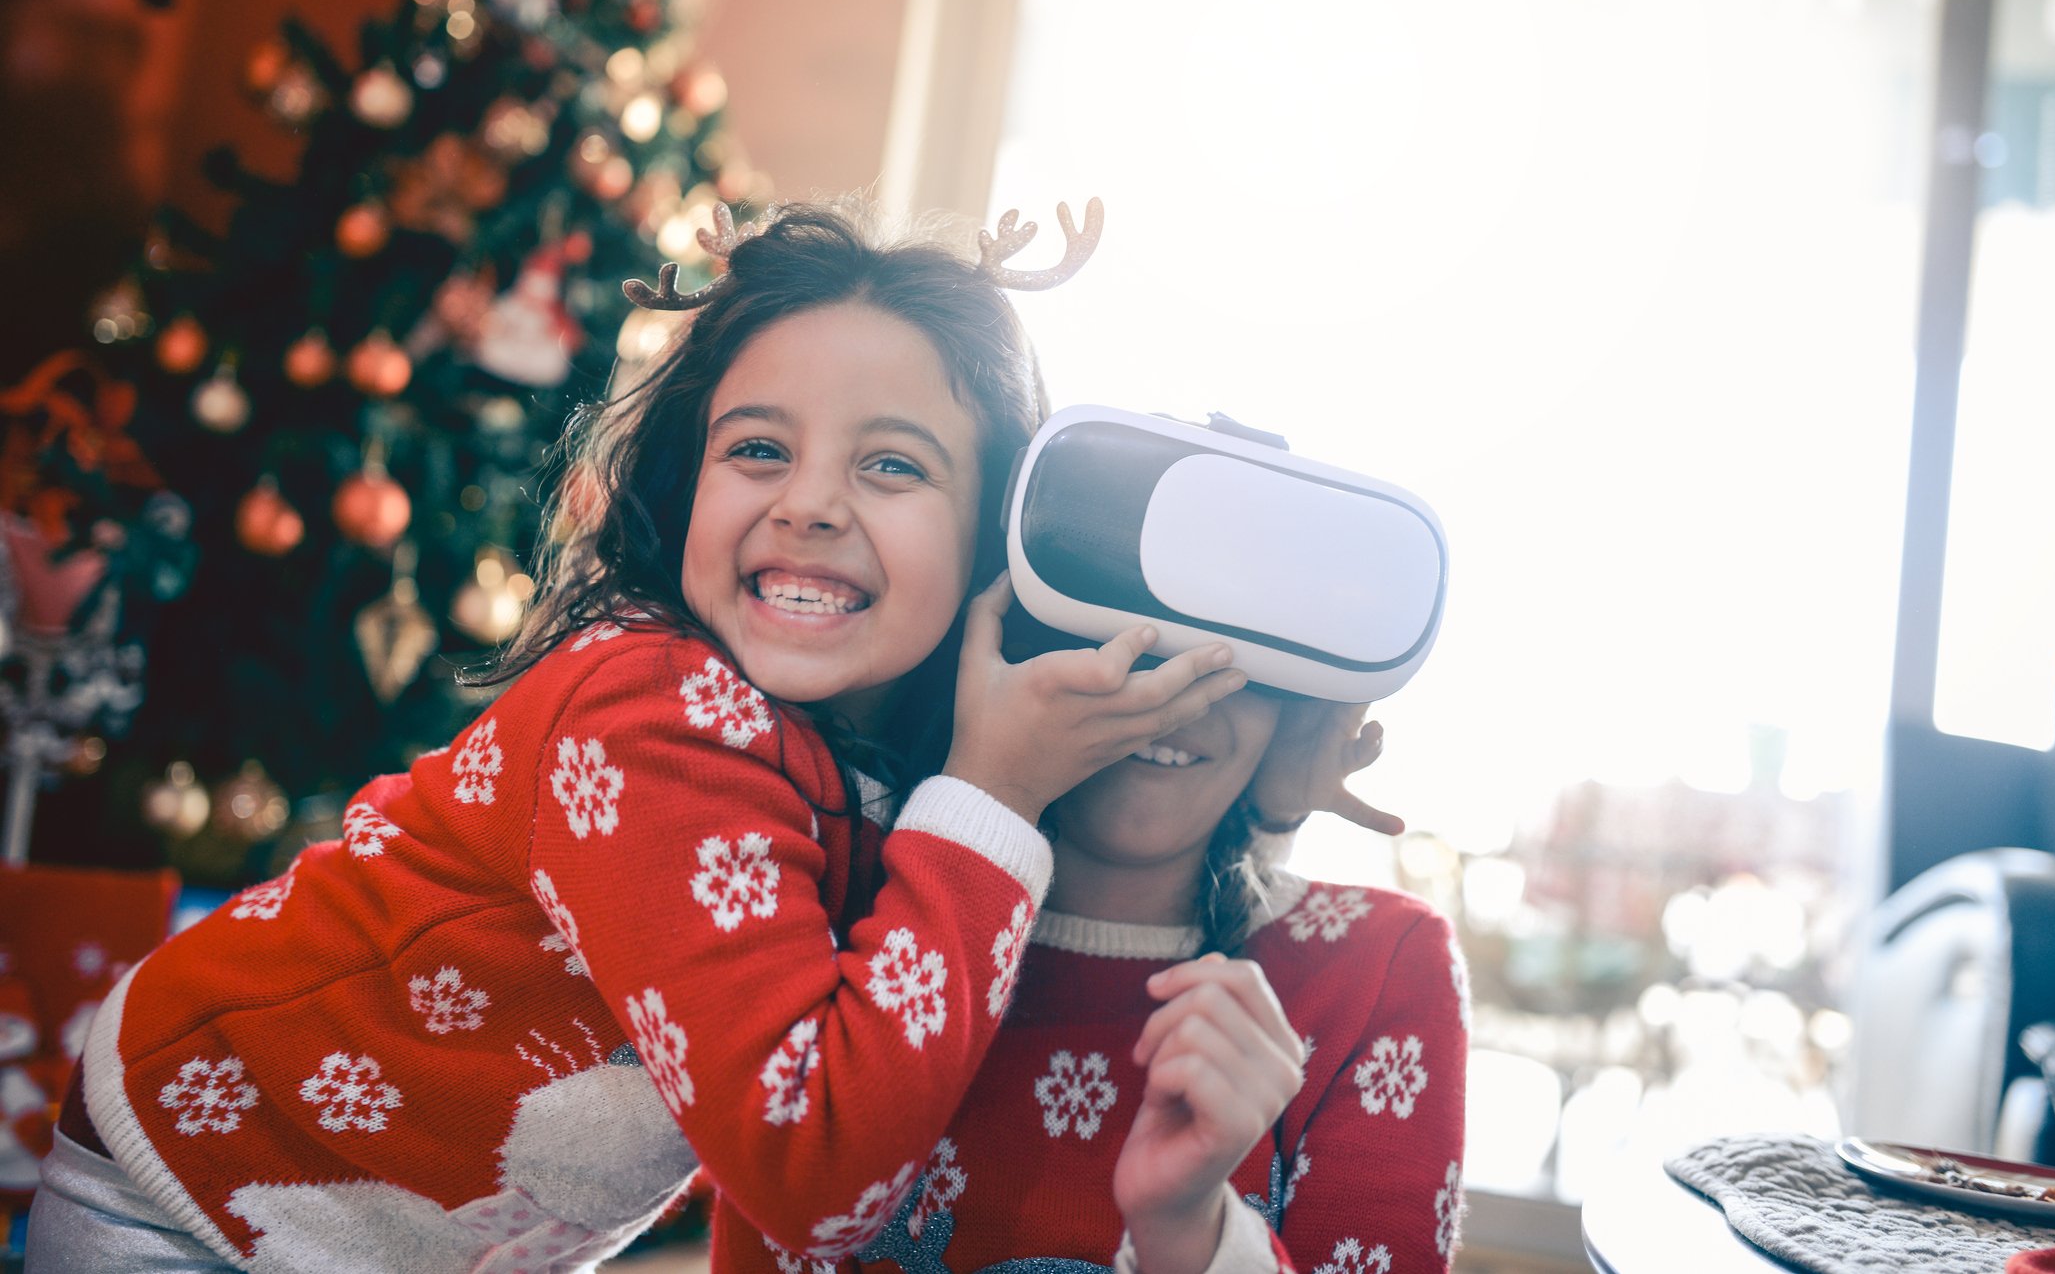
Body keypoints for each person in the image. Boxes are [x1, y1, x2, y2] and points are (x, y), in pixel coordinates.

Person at [26, 201, 1248, 1272]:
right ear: (688, 481)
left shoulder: (895, 759)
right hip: (199, 1193)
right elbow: (813, 1174)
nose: (810, 502)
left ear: (994, 539)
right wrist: (994, 795)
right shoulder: (654, 711)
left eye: (891, 464)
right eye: (757, 448)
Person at [799, 693, 1471, 1274]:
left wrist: (1188, 1231)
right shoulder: (836, 900)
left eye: (1236, 654)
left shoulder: (1380, 964)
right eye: (1116, 624)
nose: (1176, 692)